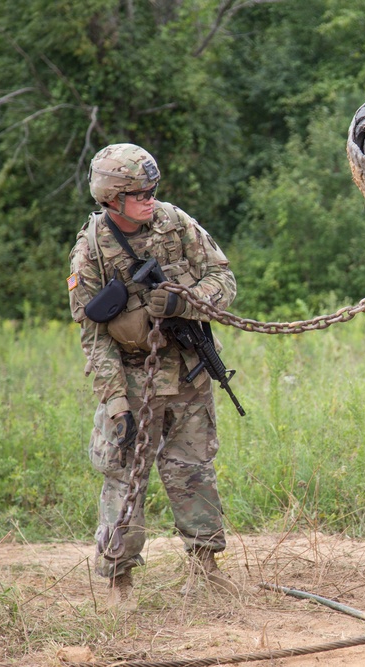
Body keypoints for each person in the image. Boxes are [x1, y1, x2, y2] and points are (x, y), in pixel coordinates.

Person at [67, 142, 238, 606]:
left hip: (186, 374)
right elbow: (93, 335)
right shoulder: (91, 251)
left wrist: (187, 300)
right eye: (139, 192)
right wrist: (115, 400)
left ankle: (205, 567)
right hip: (131, 379)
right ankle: (119, 580)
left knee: (193, 472)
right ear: (111, 198)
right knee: (124, 479)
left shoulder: (175, 222)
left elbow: (224, 280)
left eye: (152, 189)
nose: (149, 198)